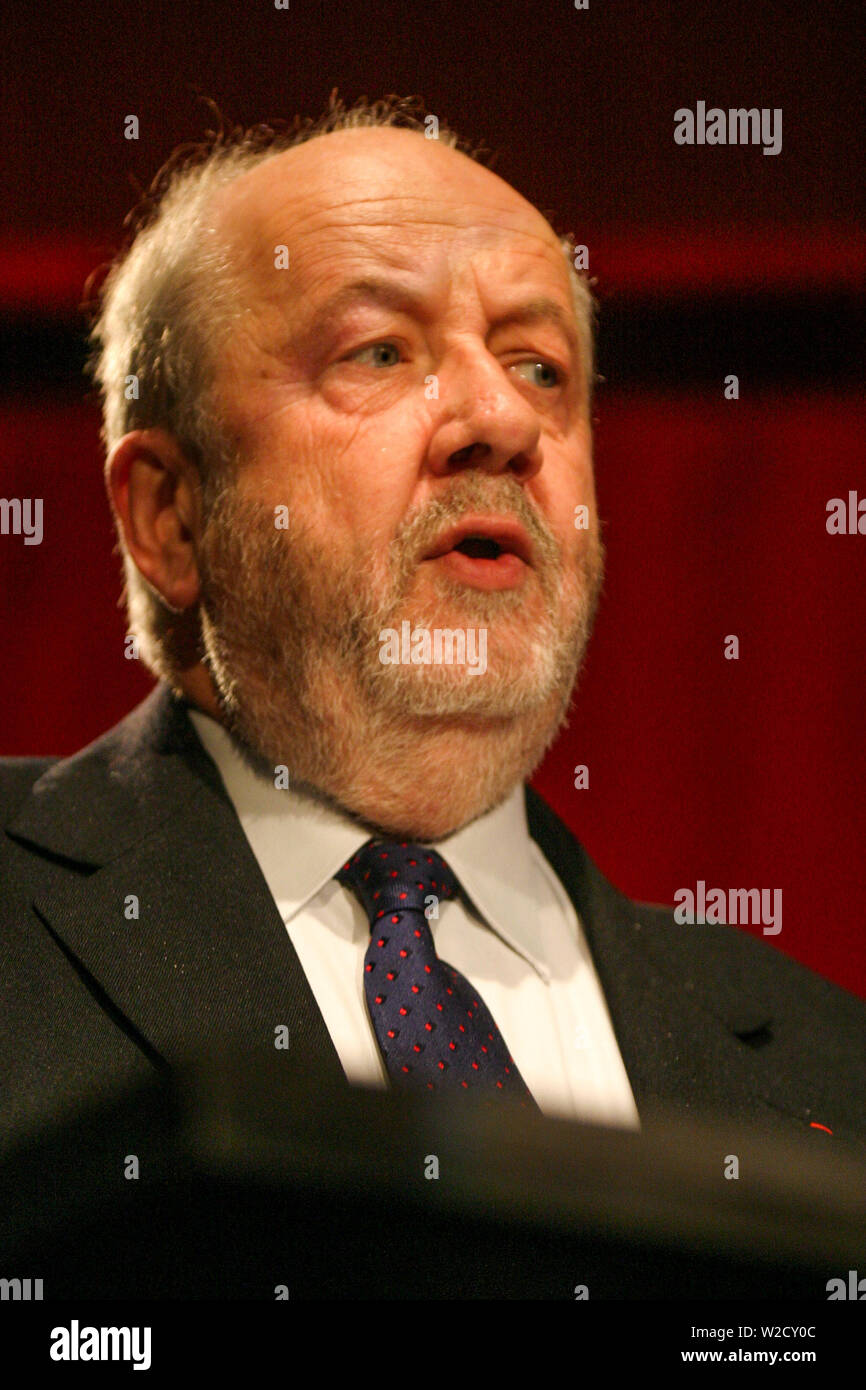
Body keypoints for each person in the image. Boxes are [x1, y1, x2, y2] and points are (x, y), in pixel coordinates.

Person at [2, 94, 864, 1151]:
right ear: (171, 517)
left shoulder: (832, 1071)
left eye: (539, 367)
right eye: (378, 352)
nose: (502, 419)